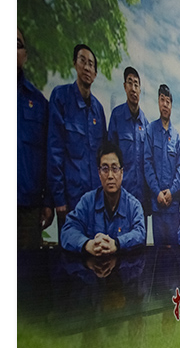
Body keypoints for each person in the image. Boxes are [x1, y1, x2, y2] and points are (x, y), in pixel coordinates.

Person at [47, 43, 107, 229]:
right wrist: (58, 198)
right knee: (71, 245)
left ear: (95, 74)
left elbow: (103, 157)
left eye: (91, 64)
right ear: (75, 63)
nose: (87, 68)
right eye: (83, 61)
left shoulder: (98, 110)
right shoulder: (61, 97)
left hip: (96, 201)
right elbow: (54, 151)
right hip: (70, 200)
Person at [60, 142, 146, 254]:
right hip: (93, 263)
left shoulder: (133, 205)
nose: (110, 176)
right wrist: (87, 244)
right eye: (105, 169)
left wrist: (117, 244)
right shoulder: (87, 202)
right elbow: (67, 231)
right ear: (99, 173)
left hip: (123, 264)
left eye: (114, 168)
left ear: (121, 173)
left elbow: (140, 233)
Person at [17, 28, 53, 249]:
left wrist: (47, 201)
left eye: (17, 44)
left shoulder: (38, 103)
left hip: (27, 210)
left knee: (28, 267)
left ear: (25, 55)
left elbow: (49, 154)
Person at [108, 67, 150, 223]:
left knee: (140, 236)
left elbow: (148, 164)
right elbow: (110, 158)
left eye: (136, 85)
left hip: (141, 200)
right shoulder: (117, 116)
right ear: (125, 87)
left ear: (140, 90)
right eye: (130, 83)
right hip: (121, 197)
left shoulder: (146, 124)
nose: (133, 88)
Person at [144, 84, 180, 246]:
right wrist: (157, 192)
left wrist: (171, 192)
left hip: (173, 208)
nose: (165, 104)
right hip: (157, 205)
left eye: (168, 101)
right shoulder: (150, 130)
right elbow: (147, 164)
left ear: (171, 105)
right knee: (158, 253)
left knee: (175, 252)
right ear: (158, 102)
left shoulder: (177, 137)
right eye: (162, 100)